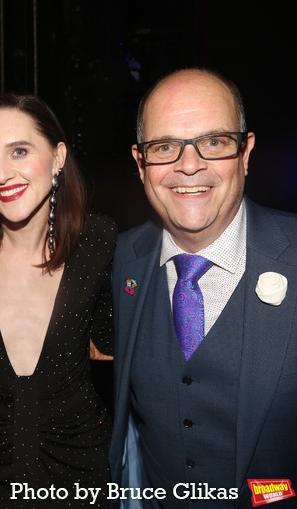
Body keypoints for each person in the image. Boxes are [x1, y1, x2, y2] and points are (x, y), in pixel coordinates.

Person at [109, 68, 297, 508]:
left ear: (246, 152)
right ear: (141, 164)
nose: (189, 165)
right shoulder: (116, 262)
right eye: (164, 146)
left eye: (214, 142)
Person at [0, 94, 116, 508]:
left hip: (84, 469)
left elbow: (114, 342)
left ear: (57, 157)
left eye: (19, 151)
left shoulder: (97, 241)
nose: (2, 174)